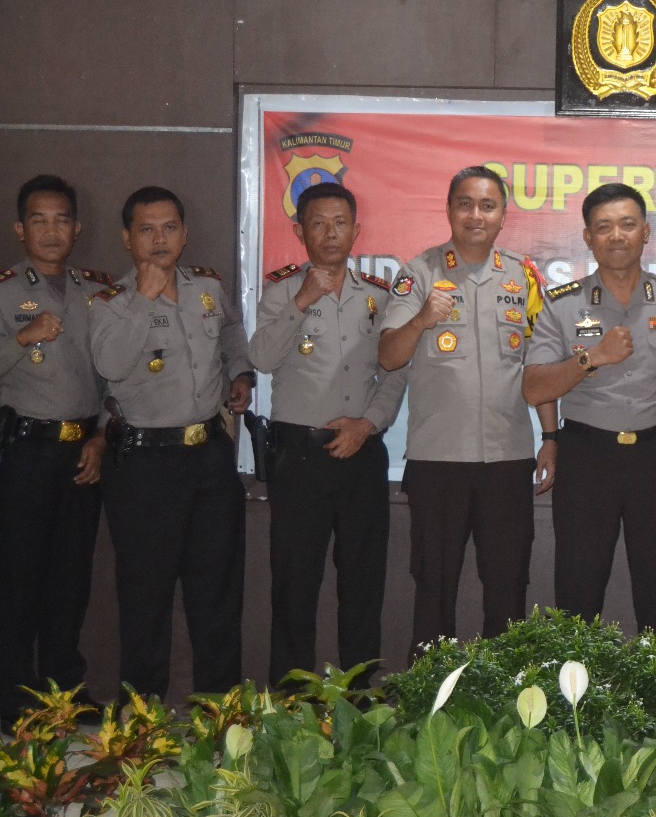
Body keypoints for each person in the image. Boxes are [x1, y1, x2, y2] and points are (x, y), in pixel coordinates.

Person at [523, 182, 656, 632]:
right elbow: (533, 388)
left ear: (645, 232)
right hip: (586, 457)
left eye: (627, 224)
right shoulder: (562, 304)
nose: (616, 235)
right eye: (604, 226)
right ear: (587, 237)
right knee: (577, 591)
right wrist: (592, 357)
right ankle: (574, 680)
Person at [380, 165, 557, 649]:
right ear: (449, 210)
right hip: (438, 462)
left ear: (503, 215)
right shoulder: (419, 273)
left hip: (507, 460)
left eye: (487, 205)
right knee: (434, 589)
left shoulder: (523, 276)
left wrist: (551, 437)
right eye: (465, 204)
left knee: (508, 589)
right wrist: (421, 319)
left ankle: (508, 691)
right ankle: (430, 693)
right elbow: (389, 356)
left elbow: (539, 366)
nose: (475, 215)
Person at [90, 186, 253, 701]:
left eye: (169, 228)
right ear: (127, 238)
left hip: (209, 457)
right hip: (144, 464)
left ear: (184, 234)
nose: (159, 239)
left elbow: (231, 333)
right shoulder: (111, 302)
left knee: (217, 594)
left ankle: (220, 715)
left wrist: (240, 373)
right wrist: (144, 297)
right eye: (146, 229)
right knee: (145, 598)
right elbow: (111, 366)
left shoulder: (207, 287)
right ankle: (144, 721)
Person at [249, 183, 406, 687]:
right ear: (300, 231)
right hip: (299, 457)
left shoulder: (380, 297)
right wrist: (302, 301)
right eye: (318, 223)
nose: (330, 233)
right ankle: (292, 701)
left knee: (362, 585)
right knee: (295, 585)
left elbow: (396, 373)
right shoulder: (281, 291)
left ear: (356, 231)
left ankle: (358, 701)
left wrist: (368, 424)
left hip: (362, 451)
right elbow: (261, 359)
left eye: (340, 223)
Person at [0, 175, 110, 728]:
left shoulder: (98, 292)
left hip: (83, 453)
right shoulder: (3, 292)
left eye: (61, 219)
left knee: (70, 579)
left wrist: (102, 436)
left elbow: (116, 375)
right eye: (38, 220)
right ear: (20, 229)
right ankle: (13, 696)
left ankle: (64, 690)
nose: (51, 230)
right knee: (18, 579)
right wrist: (22, 338)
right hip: (25, 452)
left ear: (77, 228)